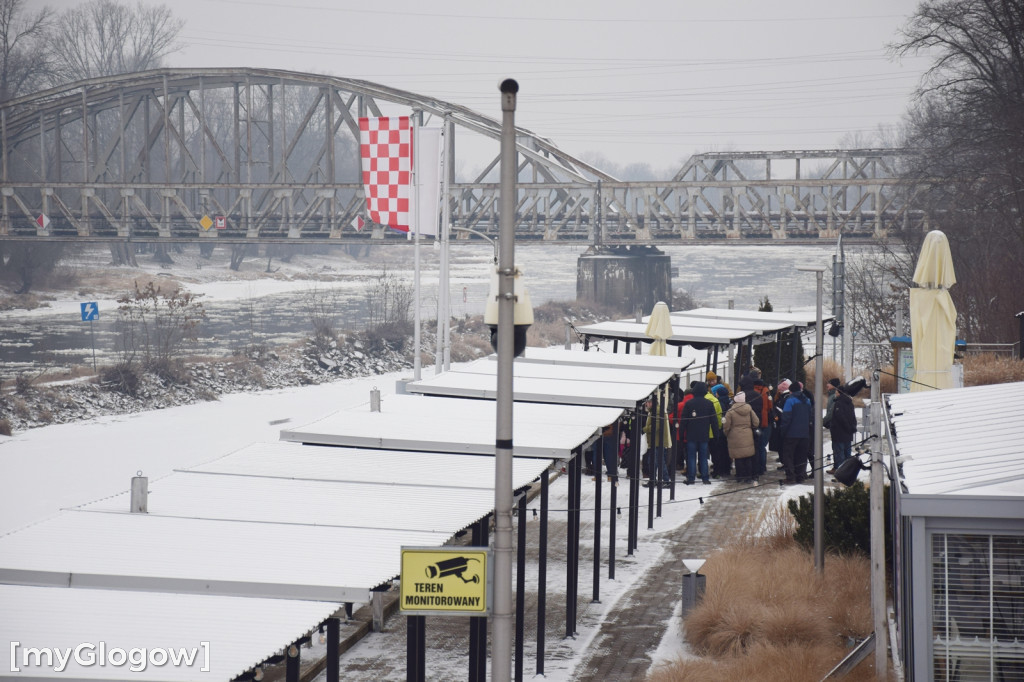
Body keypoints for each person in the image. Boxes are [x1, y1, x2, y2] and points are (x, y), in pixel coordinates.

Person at [778, 380, 812, 483]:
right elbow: (810, 415)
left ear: (791, 391)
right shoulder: (807, 400)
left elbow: (786, 417)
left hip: (791, 434)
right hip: (805, 433)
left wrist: (783, 431)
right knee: (801, 456)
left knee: (788, 456)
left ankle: (791, 477)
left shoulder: (790, 400)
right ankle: (800, 476)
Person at [682, 381, 716, 484]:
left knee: (691, 457)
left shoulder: (689, 403)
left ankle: (691, 478)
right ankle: (705, 478)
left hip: (691, 434)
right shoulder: (709, 404)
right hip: (704, 435)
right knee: (703, 457)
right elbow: (713, 420)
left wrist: (681, 433)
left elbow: (684, 420)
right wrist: (716, 434)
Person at [723, 390, 759, 483]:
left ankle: (740, 476)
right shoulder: (749, 409)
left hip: (734, 436)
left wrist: (727, 433)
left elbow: (726, 426)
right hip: (748, 435)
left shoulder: (730, 411)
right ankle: (748, 477)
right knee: (748, 457)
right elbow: (756, 422)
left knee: (738, 458)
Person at [826, 386, 858, 474]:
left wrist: (847, 427)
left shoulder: (839, 403)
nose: (835, 394)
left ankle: (840, 472)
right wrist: (852, 428)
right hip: (848, 433)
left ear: (839, 393)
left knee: (839, 453)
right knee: (847, 453)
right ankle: (847, 471)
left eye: (836, 393)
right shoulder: (850, 403)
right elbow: (853, 417)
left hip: (839, 433)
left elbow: (840, 417)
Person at [642, 399, 672, 488]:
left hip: (658, 441)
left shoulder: (657, 410)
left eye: (647, 402)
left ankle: (666, 480)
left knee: (658, 461)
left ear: (651, 402)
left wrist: (645, 429)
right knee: (653, 462)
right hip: (655, 441)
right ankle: (653, 480)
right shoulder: (654, 410)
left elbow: (656, 426)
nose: (646, 404)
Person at [751, 374, 774, 477]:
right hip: (765, 422)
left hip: (755, 423)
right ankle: (763, 467)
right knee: (762, 446)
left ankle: (756, 467)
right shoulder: (766, 392)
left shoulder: (752, 392)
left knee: (756, 445)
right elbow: (770, 406)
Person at [709, 383, 730, 478]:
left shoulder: (718, 403)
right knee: (726, 451)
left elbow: (717, 417)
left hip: (720, 430)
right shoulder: (730, 402)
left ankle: (719, 470)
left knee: (718, 452)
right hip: (728, 430)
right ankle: (727, 469)